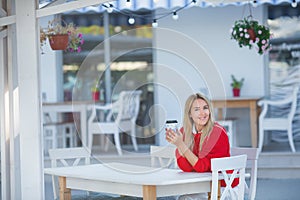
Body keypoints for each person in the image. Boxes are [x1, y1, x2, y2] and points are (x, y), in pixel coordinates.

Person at [165, 93, 238, 200]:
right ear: (189, 114)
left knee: (185, 198)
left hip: (223, 186)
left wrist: (181, 144)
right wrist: (178, 145)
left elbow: (201, 167)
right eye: (197, 109)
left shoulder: (217, 132)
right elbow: (186, 167)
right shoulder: (185, 132)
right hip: (203, 184)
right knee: (181, 197)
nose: (202, 113)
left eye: (205, 108)